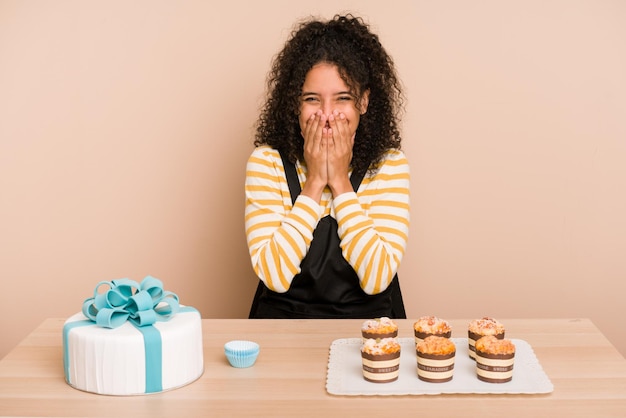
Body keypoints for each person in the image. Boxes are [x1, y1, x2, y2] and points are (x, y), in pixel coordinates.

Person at [245, 14, 409, 319]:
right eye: (312, 99)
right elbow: (274, 277)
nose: (328, 115)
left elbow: (377, 279)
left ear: (364, 102)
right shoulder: (266, 163)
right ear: (295, 104)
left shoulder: (389, 166)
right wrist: (315, 183)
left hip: (370, 335)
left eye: (343, 98)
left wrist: (341, 184)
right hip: (282, 331)